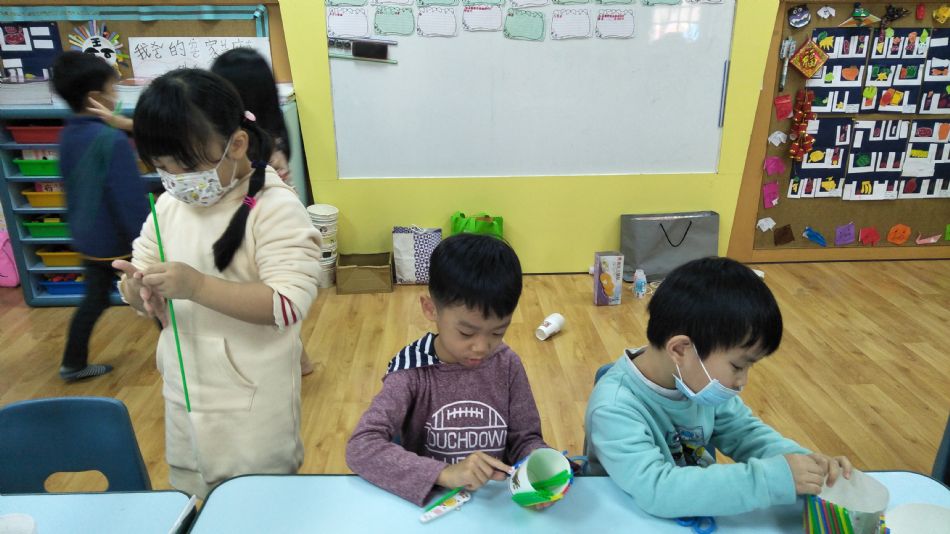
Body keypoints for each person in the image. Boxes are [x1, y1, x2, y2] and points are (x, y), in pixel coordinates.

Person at [113, 68, 322, 498]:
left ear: (236, 144)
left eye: (187, 166)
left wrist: (197, 287)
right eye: (163, 168)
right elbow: (140, 269)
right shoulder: (169, 206)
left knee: (256, 506)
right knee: (194, 498)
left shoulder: (275, 208)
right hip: (184, 396)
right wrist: (137, 290)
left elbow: (287, 304)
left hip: (253, 408)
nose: (177, 180)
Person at [585, 257, 852, 518]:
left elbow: (746, 434)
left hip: (692, 512)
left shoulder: (697, 383)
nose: (742, 381)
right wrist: (768, 480)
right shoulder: (614, 407)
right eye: (738, 366)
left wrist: (807, 465)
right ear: (680, 350)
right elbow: (658, 489)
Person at [346, 233, 551, 507]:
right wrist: (445, 474)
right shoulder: (412, 371)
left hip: (492, 508)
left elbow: (525, 439)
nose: (481, 347)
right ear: (431, 309)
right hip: (432, 507)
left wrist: (539, 464)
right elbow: (361, 446)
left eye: (497, 332)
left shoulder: (507, 364)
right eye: (466, 332)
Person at [51, 51, 148, 381]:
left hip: (88, 238)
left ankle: (72, 363)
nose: (116, 96)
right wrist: (147, 240)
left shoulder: (68, 135)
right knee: (158, 295)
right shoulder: (112, 140)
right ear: (96, 97)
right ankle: (186, 361)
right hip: (119, 241)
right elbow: (129, 199)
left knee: (94, 300)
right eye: (113, 89)